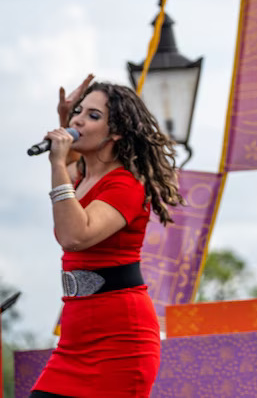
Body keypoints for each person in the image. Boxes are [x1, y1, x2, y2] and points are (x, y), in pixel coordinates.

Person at [31, 76, 183, 397]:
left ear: (115, 133)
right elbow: (72, 172)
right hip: (75, 340)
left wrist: (57, 162)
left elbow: (75, 235)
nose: (79, 120)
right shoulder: (81, 174)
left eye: (93, 116)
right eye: (79, 112)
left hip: (121, 342)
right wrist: (65, 120)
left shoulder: (126, 185)